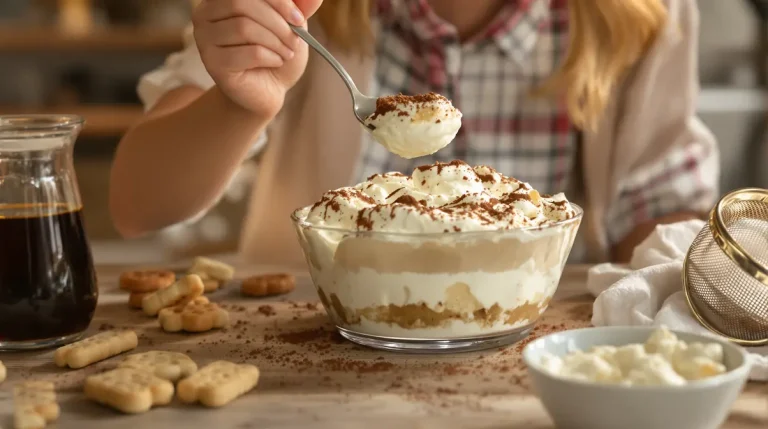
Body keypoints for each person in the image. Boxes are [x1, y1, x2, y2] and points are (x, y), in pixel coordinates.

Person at [109, 0, 719, 267]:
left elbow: (660, 216)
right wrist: (240, 106)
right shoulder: (295, 12)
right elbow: (136, 205)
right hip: (313, 354)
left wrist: (731, 268)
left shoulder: (641, 14)